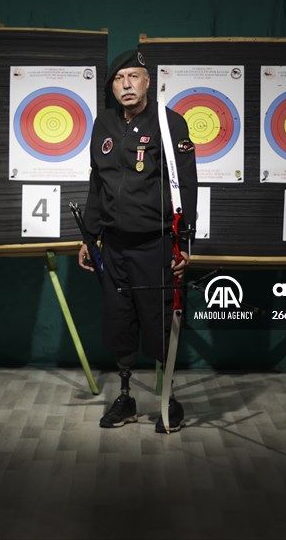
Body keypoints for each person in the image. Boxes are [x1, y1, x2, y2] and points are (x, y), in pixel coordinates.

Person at [78, 49, 198, 432]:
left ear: (148, 82)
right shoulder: (104, 124)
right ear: (112, 86)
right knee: (119, 322)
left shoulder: (170, 124)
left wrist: (185, 244)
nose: (126, 85)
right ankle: (126, 397)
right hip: (113, 245)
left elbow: (188, 186)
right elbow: (97, 182)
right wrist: (91, 235)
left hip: (156, 244)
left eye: (133, 77)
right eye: (118, 79)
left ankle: (170, 400)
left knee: (160, 321)